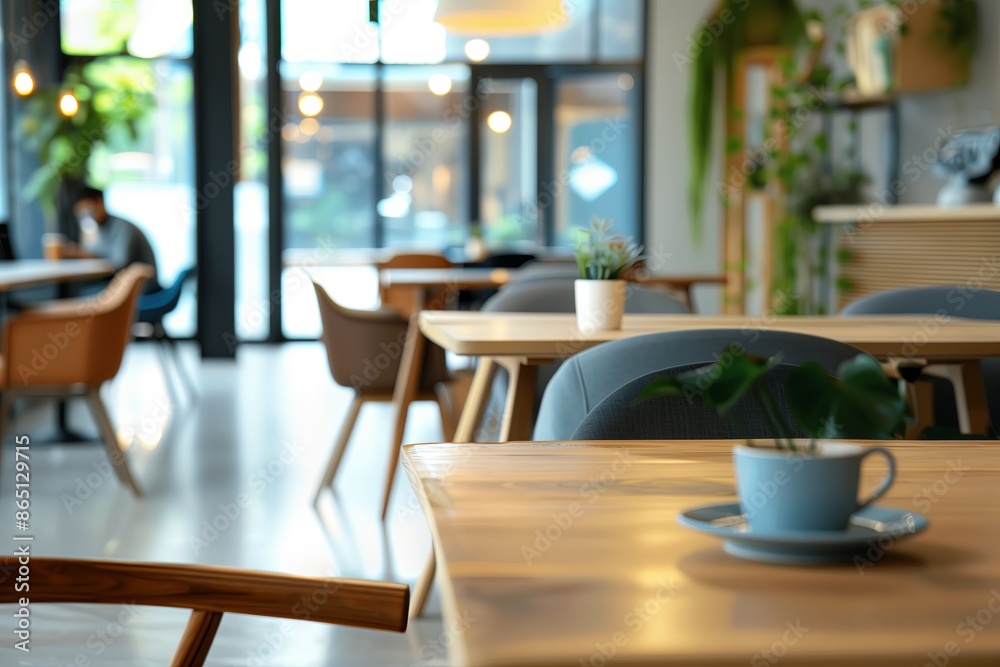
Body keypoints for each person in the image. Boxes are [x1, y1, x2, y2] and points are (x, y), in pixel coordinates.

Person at [56, 186, 160, 293]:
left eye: (89, 210)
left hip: (144, 289)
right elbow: (102, 255)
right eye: (81, 215)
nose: (87, 217)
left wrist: (87, 255)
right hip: (123, 285)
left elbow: (120, 264)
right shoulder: (98, 229)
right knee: (85, 292)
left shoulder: (123, 227)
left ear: (100, 202)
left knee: (88, 295)